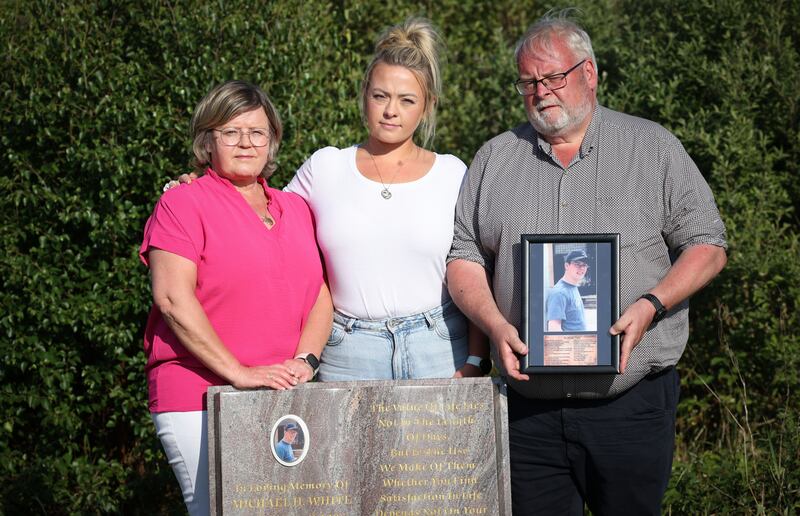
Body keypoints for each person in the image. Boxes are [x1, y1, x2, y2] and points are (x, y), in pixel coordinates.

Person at [446, 10, 727, 515]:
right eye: (528, 82)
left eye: (553, 76)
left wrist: (650, 305)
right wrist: (492, 323)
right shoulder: (493, 159)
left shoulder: (652, 148)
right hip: (528, 414)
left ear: (589, 73)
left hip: (631, 406)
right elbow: (464, 257)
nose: (541, 91)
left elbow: (708, 244)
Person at [140, 80, 332, 516]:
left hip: (281, 391)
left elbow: (319, 293)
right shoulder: (182, 204)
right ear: (208, 141)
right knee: (216, 509)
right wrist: (238, 372)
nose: (246, 142)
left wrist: (307, 361)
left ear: (273, 141)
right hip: (198, 392)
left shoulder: (295, 208)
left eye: (257, 132)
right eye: (231, 132)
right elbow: (171, 298)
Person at [284, 17, 490, 380]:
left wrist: (476, 359)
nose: (391, 110)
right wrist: (203, 189)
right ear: (364, 94)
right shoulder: (325, 167)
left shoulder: (452, 173)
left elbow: (475, 263)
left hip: (440, 348)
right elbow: (264, 224)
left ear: (427, 106)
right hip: (346, 354)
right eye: (380, 96)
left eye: (406, 100)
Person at [546, 249, 588, 331]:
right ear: (567, 266)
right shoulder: (559, 293)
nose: (582, 268)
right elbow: (554, 329)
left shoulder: (572, 286)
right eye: (577, 264)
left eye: (584, 265)